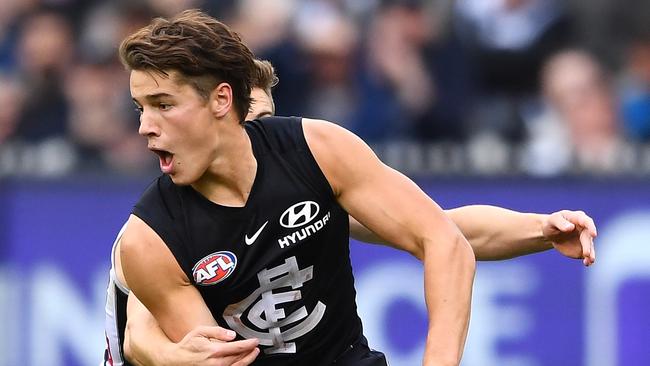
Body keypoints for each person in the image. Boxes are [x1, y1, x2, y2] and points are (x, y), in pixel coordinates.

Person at [110, 10, 595, 366]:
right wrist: (170, 358)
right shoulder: (150, 237)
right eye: (142, 108)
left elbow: (443, 234)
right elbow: (139, 336)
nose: (144, 128)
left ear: (225, 103)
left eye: (162, 105)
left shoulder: (313, 154)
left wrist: (539, 228)